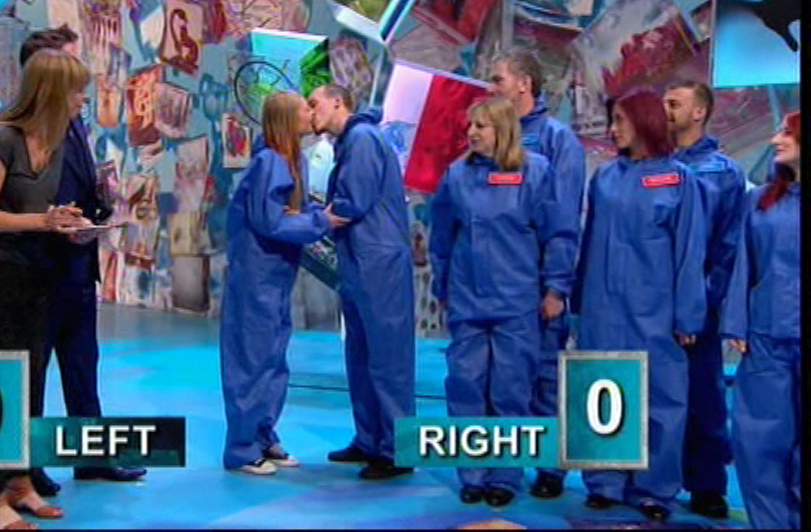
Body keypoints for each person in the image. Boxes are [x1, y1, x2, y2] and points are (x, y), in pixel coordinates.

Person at [0, 48, 90, 530]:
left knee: (30, 379)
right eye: (76, 92)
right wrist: (42, 221)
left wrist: (63, 221)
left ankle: (19, 481)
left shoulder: (54, 143)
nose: (82, 100)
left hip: (35, 270)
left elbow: (34, 210)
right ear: (52, 93)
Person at [17, 27, 148, 497]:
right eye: (69, 67)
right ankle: (24, 466)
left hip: (77, 263)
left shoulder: (72, 123)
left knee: (81, 364)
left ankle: (91, 457)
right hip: (40, 267)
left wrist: (100, 203)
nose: (81, 86)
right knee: (32, 372)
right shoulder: (19, 133)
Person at [429, 96, 575, 506]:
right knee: (466, 387)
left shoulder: (536, 172)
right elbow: (442, 239)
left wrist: (555, 289)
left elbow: (558, 234)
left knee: (511, 392)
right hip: (468, 300)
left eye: (482, 126)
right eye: (470, 125)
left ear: (504, 130)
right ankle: (472, 474)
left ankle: (505, 478)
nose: (472, 132)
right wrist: (443, 288)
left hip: (518, 302)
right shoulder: (456, 175)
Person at [571, 89, 707, 523]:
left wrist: (688, 315)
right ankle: (604, 482)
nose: (612, 130)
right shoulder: (605, 178)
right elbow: (588, 243)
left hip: (656, 310)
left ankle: (654, 489)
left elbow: (690, 253)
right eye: (611, 120)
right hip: (602, 307)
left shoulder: (679, 181)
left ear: (644, 121)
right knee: (602, 391)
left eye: (620, 121)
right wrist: (579, 300)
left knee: (661, 400)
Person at [220, 91, 347, 475]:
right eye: (305, 108)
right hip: (255, 278)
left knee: (274, 360)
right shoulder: (269, 163)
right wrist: (322, 221)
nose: (311, 113)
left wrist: (315, 215)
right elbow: (270, 222)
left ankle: (263, 435)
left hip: (277, 278)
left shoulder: (295, 160)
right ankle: (242, 449)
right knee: (251, 362)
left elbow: (293, 212)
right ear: (288, 119)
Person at [488, 48, 585, 500]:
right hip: (496, 286)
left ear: (524, 84)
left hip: (538, 285)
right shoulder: (490, 137)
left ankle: (550, 467)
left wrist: (556, 287)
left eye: (498, 80)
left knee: (546, 379)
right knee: (500, 383)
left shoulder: (557, 140)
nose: (491, 88)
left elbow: (563, 221)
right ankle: (501, 468)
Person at [307, 84, 416, 480]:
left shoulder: (363, 139)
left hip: (379, 263)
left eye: (314, 103)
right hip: (359, 261)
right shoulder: (348, 143)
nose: (310, 111)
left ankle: (396, 449)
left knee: (388, 358)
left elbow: (352, 202)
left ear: (338, 101)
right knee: (360, 355)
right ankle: (369, 438)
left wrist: (309, 216)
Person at [663, 81, 746, 519]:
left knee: (703, 395)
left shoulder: (723, 173)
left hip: (700, 304)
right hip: (651, 304)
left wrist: (700, 302)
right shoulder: (652, 165)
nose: (665, 109)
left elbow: (728, 246)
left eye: (674, 103)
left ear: (699, 112)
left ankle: (707, 484)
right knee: (653, 393)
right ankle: (652, 478)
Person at [720, 111, 801, 530]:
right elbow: (743, 263)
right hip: (767, 336)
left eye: (786, 132)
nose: (774, 140)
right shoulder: (761, 200)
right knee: (758, 442)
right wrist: (737, 321)